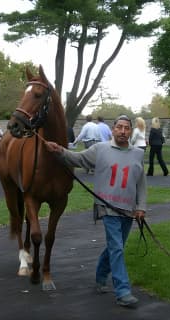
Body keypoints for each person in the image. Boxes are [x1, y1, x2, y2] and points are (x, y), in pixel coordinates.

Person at [45, 115, 147, 308]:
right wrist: (59, 150)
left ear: (130, 131)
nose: (123, 131)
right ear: (113, 129)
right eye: (119, 127)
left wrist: (141, 206)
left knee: (115, 247)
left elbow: (141, 182)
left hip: (129, 210)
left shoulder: (137, 154)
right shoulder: (100, 149)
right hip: (107, 207)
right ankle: (123, 291)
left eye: (126, 128)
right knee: (116, 248)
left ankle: (100, 277)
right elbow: (77, 159)